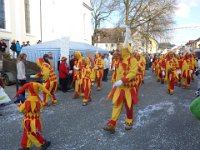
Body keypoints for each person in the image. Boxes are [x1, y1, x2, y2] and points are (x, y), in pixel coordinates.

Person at [104, 45, 138, 133]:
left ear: (125, 51)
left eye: (119, 50)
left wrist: (122, 80)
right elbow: (117, 72)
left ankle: (129, 121)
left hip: (128, 88)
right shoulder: (119, 60)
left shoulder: (132, 60)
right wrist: (114, 82)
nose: (117, 52)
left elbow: (133, 72)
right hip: (119, 88)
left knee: (128, 106)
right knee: (116, 105)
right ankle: (112, 123)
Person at [16, 82, 51, 150]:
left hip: (29, 119)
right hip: (36, 118)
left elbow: (21, 110)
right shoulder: (38, 99)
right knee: (26, 132)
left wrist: (19, 105)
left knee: (31, 132)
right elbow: (40, 106)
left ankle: (43, 143)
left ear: (28, 90)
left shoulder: (28, 100)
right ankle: (25, 146)